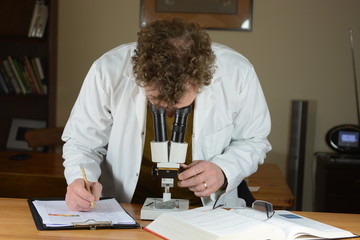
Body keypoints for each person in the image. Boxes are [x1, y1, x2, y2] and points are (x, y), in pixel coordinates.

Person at [62, 18, 271, 211]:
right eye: (158, 104)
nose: (170, 113)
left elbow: (253, 140)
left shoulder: (237, 73)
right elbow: (82, 143)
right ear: (139, 75)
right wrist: (81, 179)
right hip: (127, 206)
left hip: (204, 209)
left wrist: (223, 170)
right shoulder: (107, 71)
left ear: (202, 79)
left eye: (180, 107)